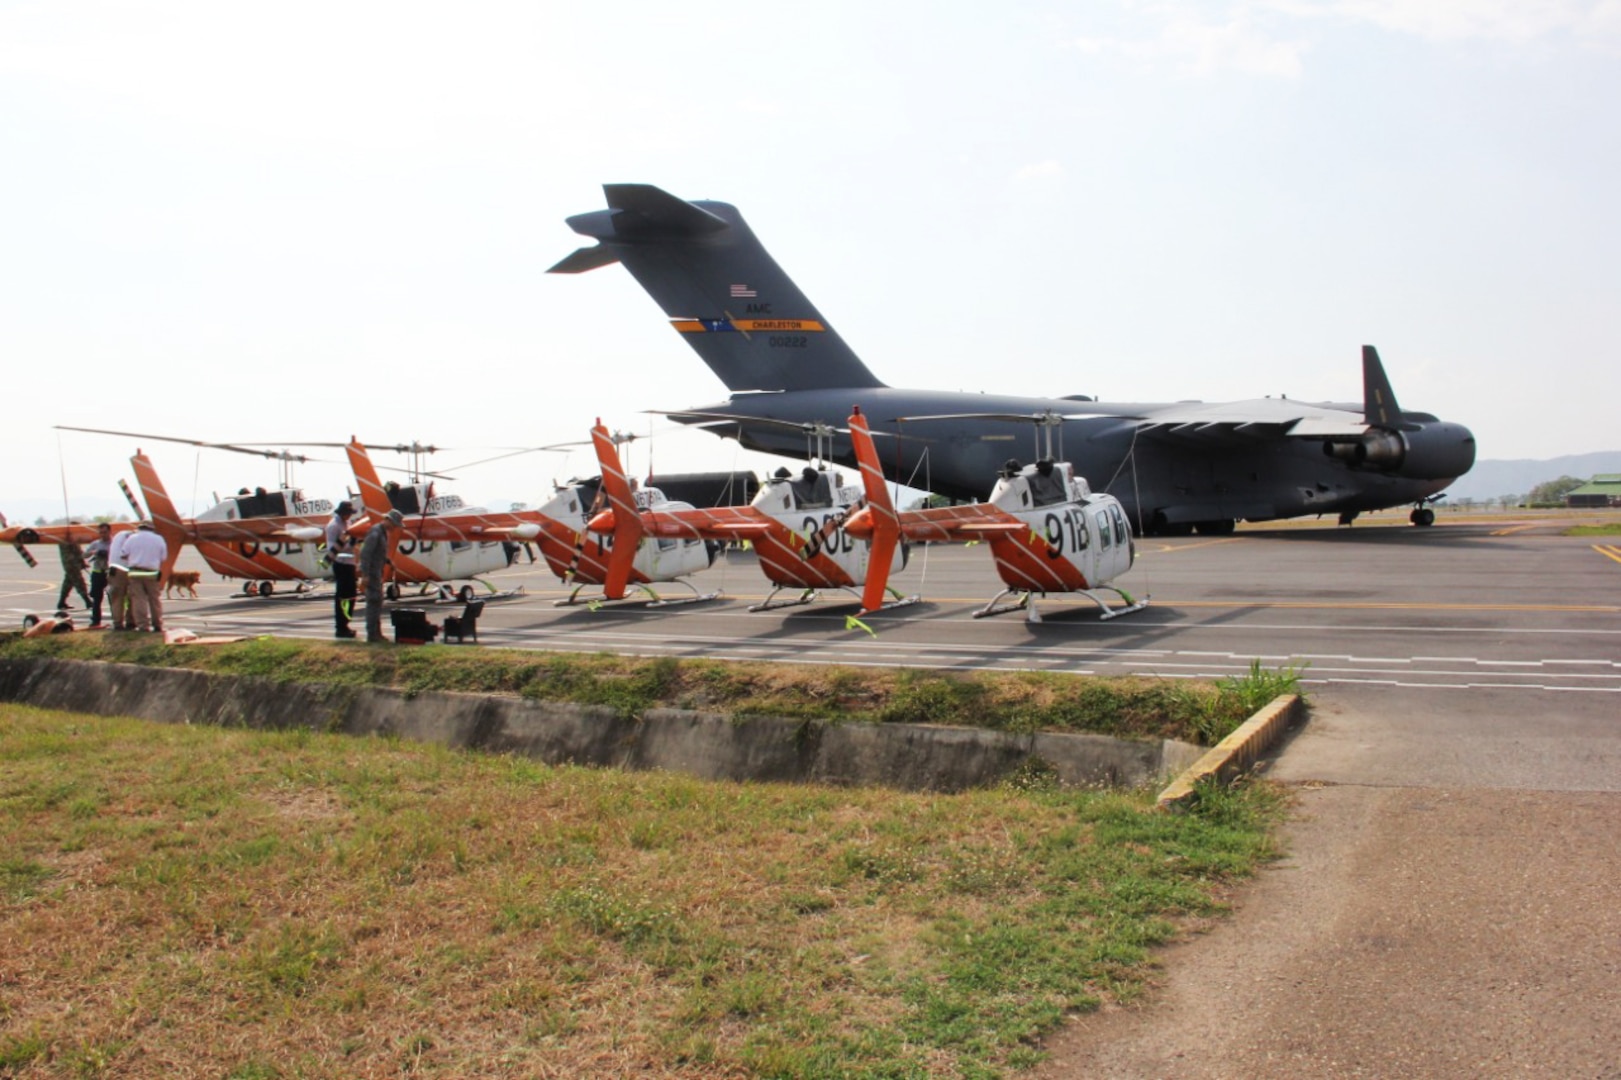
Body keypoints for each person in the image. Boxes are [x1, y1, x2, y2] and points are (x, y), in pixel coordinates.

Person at [359, 509, 402, 643]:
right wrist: (365, 575)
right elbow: (366, 554)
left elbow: (379, 553)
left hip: (377, 572)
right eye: (394, 524)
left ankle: (376, 632)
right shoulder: (376, 532)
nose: (395, 528)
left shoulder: (382, 533)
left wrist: (388, 561)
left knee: (377, 602)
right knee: (373, 602)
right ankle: (372, 634)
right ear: (388, 520)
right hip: (372, 573)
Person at [120, 521, 169, 633]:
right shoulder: (159, 539)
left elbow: (123, 554)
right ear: (152, 528)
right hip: (152, 572)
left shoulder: (132, 538)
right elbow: (164, 557)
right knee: (154, 599)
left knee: (139, 599)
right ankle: (158, 624)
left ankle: (143, 625)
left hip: (135, 572)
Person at [326, 501, 359, 639]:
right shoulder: (334, 526)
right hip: (341, 563)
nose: (348, 516)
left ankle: (346, 623)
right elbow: (332, 548)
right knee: (342, 595)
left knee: (351, 594)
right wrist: (349, 543)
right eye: (347, 513)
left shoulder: (348, 523)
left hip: (350, 563)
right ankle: (341, 626)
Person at [84, 523, 113, 627]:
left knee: (113, 597)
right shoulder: (95, 544)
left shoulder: (114, 543)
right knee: (97, 598)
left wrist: (108, 553)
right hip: (97, 573)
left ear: (109, 532)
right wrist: (93, 552)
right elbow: (84, 555)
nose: (103, 535)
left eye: (105, 532)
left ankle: (117, 619)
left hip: (110, 573)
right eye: (100, 532)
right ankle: (96, 620)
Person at [106, 526, 134, 630]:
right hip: (130, 569)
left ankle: (117, 623)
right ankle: (131, 621)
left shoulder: (118, 536)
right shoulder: (135, 537)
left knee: (117, 598)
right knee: (134, 597)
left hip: (115, 569)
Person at [57, 539, 92, 612]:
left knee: (68, 582)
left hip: (69, 562)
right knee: (79, 581)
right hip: (72, 563)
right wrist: (82, 561)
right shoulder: (69, 536)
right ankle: (87, 601)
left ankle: (61, 602)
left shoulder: (66, 536)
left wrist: (82, 562)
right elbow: (76, 550)